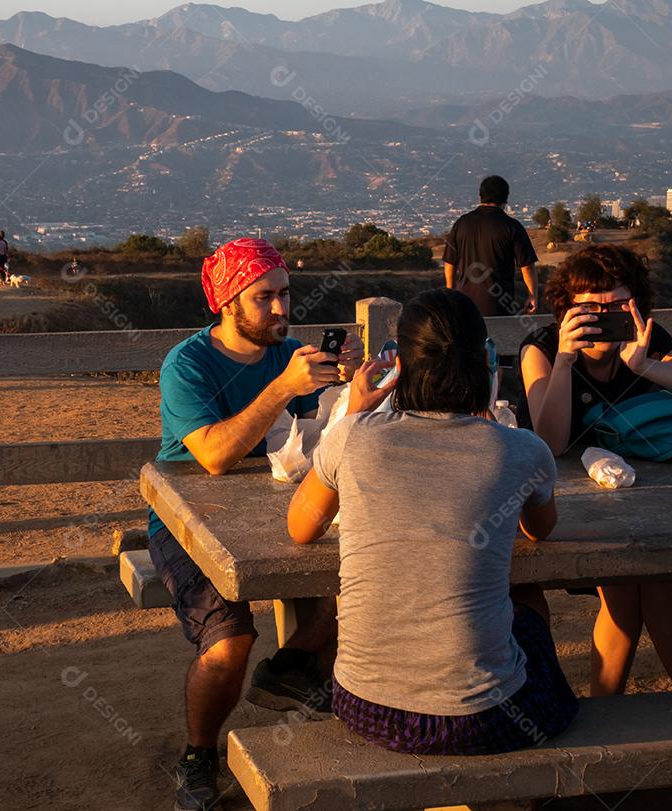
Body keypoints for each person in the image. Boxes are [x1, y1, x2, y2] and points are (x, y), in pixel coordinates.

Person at [288, 288, 578, 756]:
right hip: (482, 718)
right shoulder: (521, 450)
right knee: (526, 597)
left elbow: (300, 529)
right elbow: (539, 530)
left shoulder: (353, 439)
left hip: (366, 706)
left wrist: (355, 416)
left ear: (399, 363)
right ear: (485, 361)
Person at [149, 237, 362, 810]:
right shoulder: (188, 364)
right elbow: (215, 457)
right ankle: (199, 754)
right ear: (227, 303)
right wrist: (282, 389)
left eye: (285, 295)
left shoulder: (288, 354)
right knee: (229, 640)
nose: (280, 309)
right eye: (264, 297)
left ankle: (291, 668)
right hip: (185, 521)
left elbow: (317, 444)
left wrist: (356, 394)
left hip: (273, 514)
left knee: (367, 584)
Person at [518, 244, 672, 696]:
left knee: (642, 587)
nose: (604, 314)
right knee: (641, 584)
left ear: (636, 304)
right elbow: (550, 441)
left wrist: (645, 363)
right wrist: (567, 360)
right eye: (589, 305)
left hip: (637, 497)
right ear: (566, 310)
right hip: (568, 506)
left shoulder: (643, 339)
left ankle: (612, 708)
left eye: (616, 303)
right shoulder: (543, 347)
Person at [444, 176, 539, 317]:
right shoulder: (512, 226)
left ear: (480, 197)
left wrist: (450, 294)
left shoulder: (461, 224)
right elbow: (527, 267)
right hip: (500, 305)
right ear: (505, 199)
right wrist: (532, 295)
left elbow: (450, 264)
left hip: (464, 304)